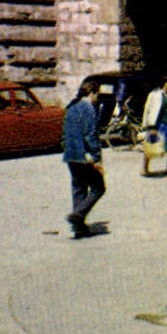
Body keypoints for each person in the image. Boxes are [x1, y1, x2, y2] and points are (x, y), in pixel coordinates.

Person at [63, 77, 106, 236]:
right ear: (91, 93)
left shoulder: (71, 106)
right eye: (97, 95)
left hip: (71, 154)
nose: (97, 98)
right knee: (98, 187)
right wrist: (96, 156)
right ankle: (78, 215)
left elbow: (65, 133)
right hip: (84, 155)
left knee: (79, 189)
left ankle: (79, 228)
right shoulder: (88, 108)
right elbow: (90, 135)